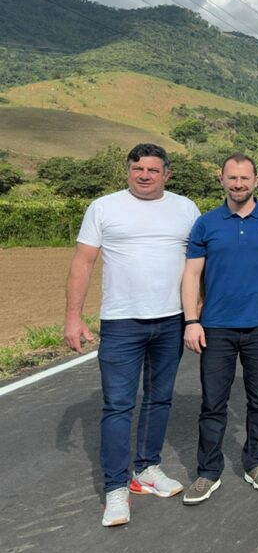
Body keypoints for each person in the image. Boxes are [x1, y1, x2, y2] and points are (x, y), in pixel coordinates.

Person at [64, 143, 199, 527]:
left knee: (159, 398)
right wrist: (73, 317)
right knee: (118, 405)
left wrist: (199, 308)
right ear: (128, 171)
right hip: (122, 322)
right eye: (138, 168)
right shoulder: (104, 207)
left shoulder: (185, 208)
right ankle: (116, 488)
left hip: (172, 319)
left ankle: (147, 468)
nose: (144, 175)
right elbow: (83, 262)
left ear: (166, 174)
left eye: (153, 170)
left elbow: (199, 261)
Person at [180, 154, 258, 505]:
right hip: (216, 327)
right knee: (212, 402)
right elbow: (191, 274)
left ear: (256, 181)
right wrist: (191, 321)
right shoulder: (206, 224)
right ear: (221, 179)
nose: (238, 184)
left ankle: (256, 461)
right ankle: (208, 471)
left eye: (244, 178)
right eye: (232, 178)